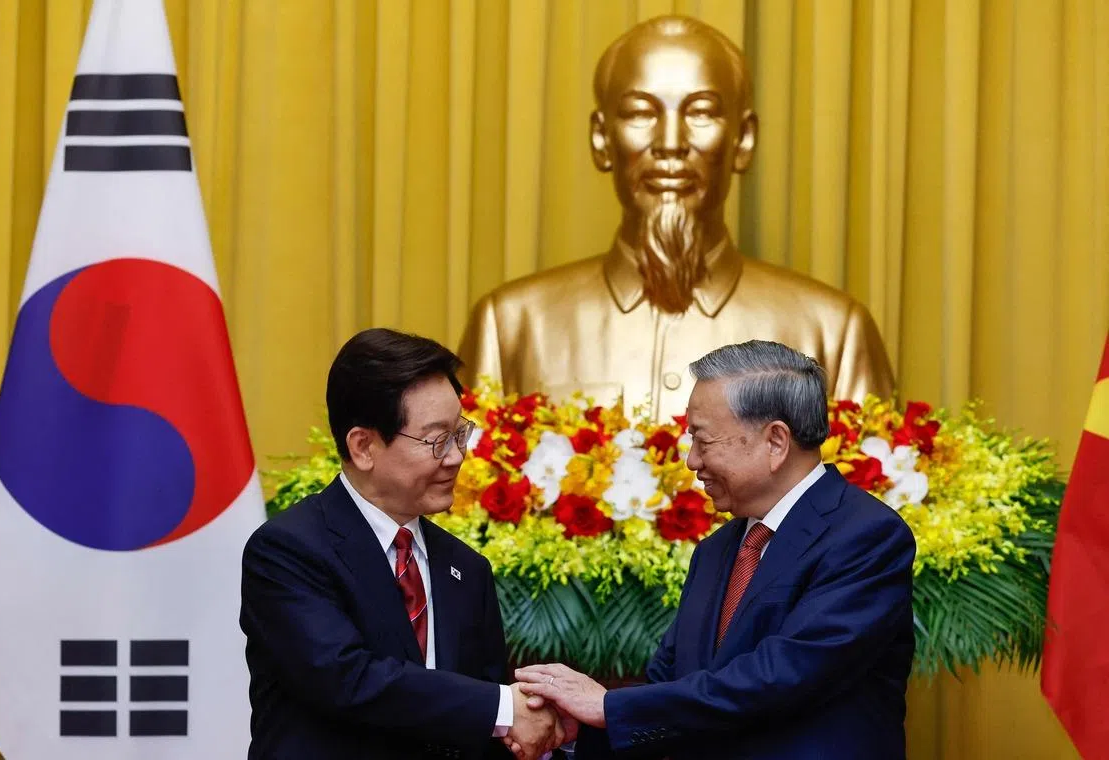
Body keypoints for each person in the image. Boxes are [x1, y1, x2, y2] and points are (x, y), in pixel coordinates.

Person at [457, 15, 894, 423]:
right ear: (601, 139)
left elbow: (862, 499)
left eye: (701, 112)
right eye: (641, 113)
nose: (670, 142)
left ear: (743, 139)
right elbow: (460, 493)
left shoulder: (833, 332)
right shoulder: (511, 326)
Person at [516, 340, 916, 759]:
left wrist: (607, 706)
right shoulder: (717, 550)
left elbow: (782, 675)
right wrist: (579, 728)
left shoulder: (866, 537)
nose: (690, 461)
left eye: (703, 441)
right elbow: (670, 689)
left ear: (776, 441)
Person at [240, 328, 564, 759]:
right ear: (363, 447)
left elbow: (481, 730)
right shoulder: (288, 551)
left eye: (459, 433)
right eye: (436, 440)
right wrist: (505, 707)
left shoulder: (466, 568)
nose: (455, 457)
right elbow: (349, 678)